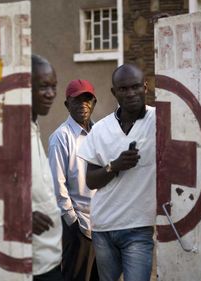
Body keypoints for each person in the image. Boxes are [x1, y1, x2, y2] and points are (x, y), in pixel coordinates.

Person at [77, 64, 156, 281]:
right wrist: (115, 166)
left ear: (145, 87)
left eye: (136, 87)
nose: (130, 93)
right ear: (114, 92)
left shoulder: (160, 121)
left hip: (138, 228)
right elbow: (91, 181)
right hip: (103, 227)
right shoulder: (101, 129)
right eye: (123, 89)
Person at [48, 80, 99, 281]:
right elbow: (57, 185)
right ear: (67, 104)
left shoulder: (99, 133)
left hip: (103, 225)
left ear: (93, 102)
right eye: (76, 100)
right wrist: (74, 223)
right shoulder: (60, 137)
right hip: (78, 227)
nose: (82, 105)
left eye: (87, 99)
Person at [31, 54, 63, 281]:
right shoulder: (9, 133)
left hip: (50, 256)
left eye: (53, 87)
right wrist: (19, 215)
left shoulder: (33, 126)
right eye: (43, 87)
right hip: (31, 262)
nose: (51, 94)